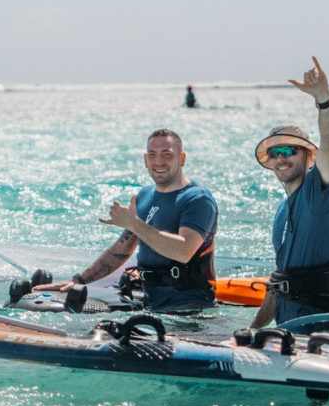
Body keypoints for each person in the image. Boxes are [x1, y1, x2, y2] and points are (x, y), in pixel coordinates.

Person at [34, 129, 218, 312]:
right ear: (146, 160)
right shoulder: (145, 196)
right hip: (147, 296)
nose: (159, 162)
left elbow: (184, 251)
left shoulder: (197, 199)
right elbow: (121, 250)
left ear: (182, 158)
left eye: (167, 155)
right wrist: (78, 281)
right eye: (152, 155)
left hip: (188, 303)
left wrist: (133, 223)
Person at [250, 57, 329, 332]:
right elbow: (278, 284)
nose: (282, 158)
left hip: (319, 333)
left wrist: (323, 100)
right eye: (276, 153)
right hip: (286, 333)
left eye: (291, 150)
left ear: (309, 157)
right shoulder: (281, 213)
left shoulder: (318, 194)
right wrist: (253, 330)